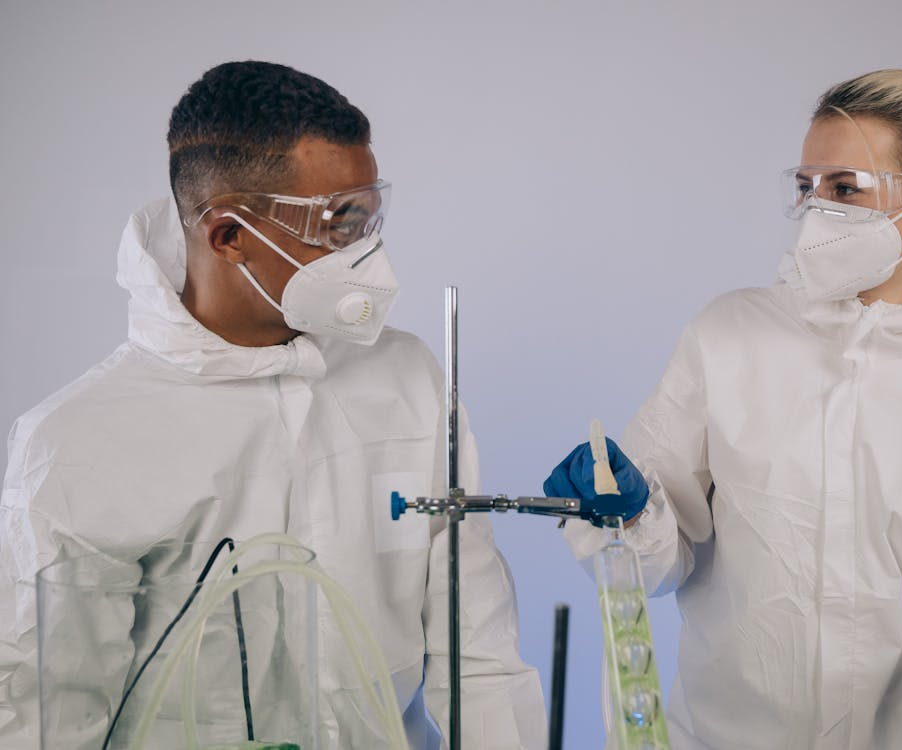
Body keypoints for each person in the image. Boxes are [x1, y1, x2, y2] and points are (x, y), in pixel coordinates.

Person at [0, 60, 546, 749]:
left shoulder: (406, 376)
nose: (367, 253)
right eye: (338, 223)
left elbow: (481, 655)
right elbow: (49, 717)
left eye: (370, 217)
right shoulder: (80, 441)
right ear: (228, 235)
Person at [544, 69, 902, 749]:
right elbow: (656, 559)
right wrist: (625, 507)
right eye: (805, 188)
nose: (815, 211)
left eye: (843, 190)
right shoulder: (729, 335)